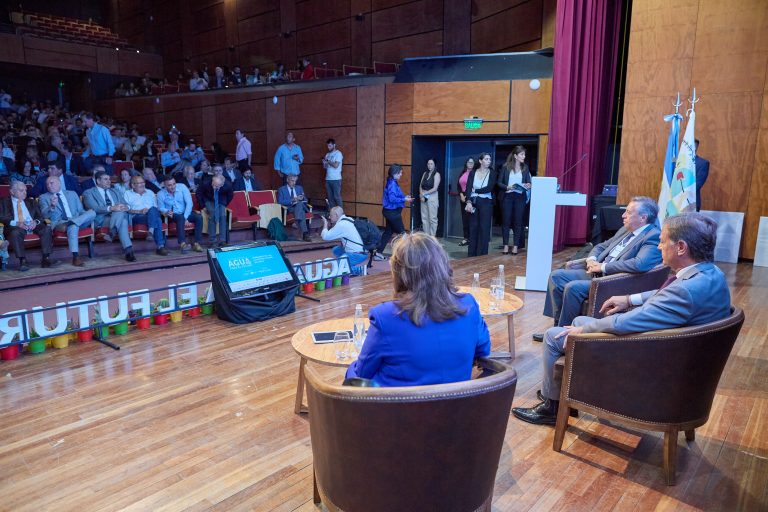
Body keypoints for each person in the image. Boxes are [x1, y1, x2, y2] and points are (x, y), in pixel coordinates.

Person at [512, 212, 732, 425]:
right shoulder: (710, 274)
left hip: (648, 357)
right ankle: (566, 394)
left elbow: (626, 322)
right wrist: (629, 299)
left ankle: (551, 407)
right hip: (673, 348)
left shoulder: (684, 291)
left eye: (663, 241)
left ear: (681, 247)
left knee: (554, 336)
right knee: (578, 321)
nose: (659, 246)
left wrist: (584, 331)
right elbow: (667, 294)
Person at [345, 232, 491, 386]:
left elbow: (361, 374)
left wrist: (350, 369)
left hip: (397, 401)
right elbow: (484, 351)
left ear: (399, 273)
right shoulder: (469, 305)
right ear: (443, 265)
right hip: (458, 401)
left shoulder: (385, 317)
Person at [537, 196, 662, 337]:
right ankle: (558, 326)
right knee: (556, 276)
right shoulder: (626, 229)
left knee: (573, 288)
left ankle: (564, 334)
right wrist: (592, 259)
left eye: (628, 212)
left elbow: (639, 264)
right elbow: (602, 246)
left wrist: (603, 267)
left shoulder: (653, 236)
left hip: (614, 280)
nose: (623, 215)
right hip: (597, 273)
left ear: (643, 217)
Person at [39, 175, 96, 267]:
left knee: (92, 212)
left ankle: (71, 222)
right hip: (60, 223)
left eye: (51, 183)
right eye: (47, 184)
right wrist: (52, 206)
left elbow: (81, 211)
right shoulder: (44, 197)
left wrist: (83, 216)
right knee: (73, 227)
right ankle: (75, 257)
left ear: (59, 183)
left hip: (76, 220)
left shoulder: (72, 194)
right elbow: (44, 215)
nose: (49, 185)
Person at [0, 180, 57, 271]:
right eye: (21, 190)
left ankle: (46, 259)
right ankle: (23, 260)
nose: (25, 193)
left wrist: (35, 222)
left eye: (25, 190)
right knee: (15, 233)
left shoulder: (31, 201)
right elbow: (2, 217)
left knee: (47, 228)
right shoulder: (4, 202)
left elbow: (40, 217)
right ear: (12, 192)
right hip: (16, 226)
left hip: (32, 224)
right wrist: (17, 223)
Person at [83, 170, 136, 262]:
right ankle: (128, 251)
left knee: (120, 215)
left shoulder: (115, 191)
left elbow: (127, 204)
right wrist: (111, 208)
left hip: (116, 217)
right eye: (105, 179)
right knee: (122, 219)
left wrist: (126, 207)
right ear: (98, 181)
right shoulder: (89, 192)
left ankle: (112, 233)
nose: (109, 181)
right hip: (101, 220)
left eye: (109, 179)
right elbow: (94, 208)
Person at [497, 146, 531, 255]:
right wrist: (507, 187)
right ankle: (506, 246)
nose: (524, 156)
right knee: (506, 222)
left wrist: (528, 185)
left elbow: (528, 182)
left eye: (524, 154)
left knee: (518, 222)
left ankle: (515, 246)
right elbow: (499, 182)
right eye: (522, 154)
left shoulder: (525, 168)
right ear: (516, 156)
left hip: (520, 197)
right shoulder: (506, 167)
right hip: (507, 196)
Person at [157, 175, 204, 253]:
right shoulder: (160, 194)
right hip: (172, 214)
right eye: (169, 185)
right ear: (164, 185)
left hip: (185, 213)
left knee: (198, 217)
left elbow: (189, 203)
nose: (172, 187)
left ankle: (197, 243)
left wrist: (185, 217)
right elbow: (160, 207)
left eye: (174, 184)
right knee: (180, 218)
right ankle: (182, 244)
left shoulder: (182, 187)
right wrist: (166, 211)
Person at [124, 175, 169, 256]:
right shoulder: (127, 194)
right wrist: (139, 211)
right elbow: (126, 209)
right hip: (137, 216)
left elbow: (156, 208)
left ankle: (151, 232)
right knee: (158, 220)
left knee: (153, 211)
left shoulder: (150, 192)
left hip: (151, 214)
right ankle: (160, 246)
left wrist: (149, 211)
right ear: (133, 185)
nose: (142, 184)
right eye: (139, 183)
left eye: (143, 182)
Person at [377, 164, 413, 257]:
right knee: (403, 234)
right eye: (400, 173)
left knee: (388, 232)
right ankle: (410, 255)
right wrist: (404, 199)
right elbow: (392, 199)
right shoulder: (392, 184)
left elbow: (394, 196)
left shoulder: (392, 182)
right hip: (392, 213)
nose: (401, 174)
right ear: (394, 173)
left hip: (389, 212)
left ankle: (378, 253)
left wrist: (404, 197)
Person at [466, 152, 497, 257]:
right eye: (486, 159)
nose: (489, 161)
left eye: (489, 159)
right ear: (480, 161)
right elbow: (468, 188)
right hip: (474, 202)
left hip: (486, 202)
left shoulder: (492, 173)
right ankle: (471, 255)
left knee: (484, 228)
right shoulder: (473, 172)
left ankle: (482, 255)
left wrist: (476, 190)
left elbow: (489, 188)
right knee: (473, 227)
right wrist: (468, 201)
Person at [197, 174, 233, 247]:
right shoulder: (205, 183)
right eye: (213, 184)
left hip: (221, 199)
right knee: (212, 214)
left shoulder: (228, 185)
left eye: (217, 186)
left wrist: (224, 204)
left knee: (223, 216)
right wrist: (202, 206)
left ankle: (222, 241)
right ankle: (212, 241)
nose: (214, 187)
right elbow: (198, 193)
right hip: (208, 199)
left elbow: (230, 195)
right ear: (212, 181)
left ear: (222, 184)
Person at [277, 174, 311, 242]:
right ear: (287, 180)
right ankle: (305, 234)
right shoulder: (282, 189)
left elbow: (306, 200)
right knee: (302, 212)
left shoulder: (299, 188)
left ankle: (296, 221)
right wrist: (293, 200)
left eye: (295, 181)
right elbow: (280, 202)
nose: (294, 183)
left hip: (299, 206)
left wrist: (302, 198)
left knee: (299, 204)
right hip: (289, 208)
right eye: (292, 181)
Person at [418, 158, 441, 237]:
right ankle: (426, 236)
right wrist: (421, 194)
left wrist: (424, 194)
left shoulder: (437, 174)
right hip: (423, 196)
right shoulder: (425, 173)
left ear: (434, 165)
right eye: (428, 164)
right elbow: (420, 185)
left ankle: (432, 237)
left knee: (432, 218)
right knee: (424, 218)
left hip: (432, 196)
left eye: (431, 164)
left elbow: (435, 188)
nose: (429, 165)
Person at [456, 157, 474, 247]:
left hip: (471, 197)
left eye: (472, 162)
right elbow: (458, 186)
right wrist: (461, 195)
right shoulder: (463, 172)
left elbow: (473, 186)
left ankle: (472, 239)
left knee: (471, 219)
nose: (470, 164)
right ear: (466, 163)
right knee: (465, 219)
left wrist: (467, 196)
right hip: (463, 197)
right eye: (469, 162)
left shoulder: (475, 173)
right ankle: (466, 238)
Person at [323, 138, 343, 208]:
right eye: (327, 146)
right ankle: (332, 213)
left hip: (336, 179)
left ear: (334, 145)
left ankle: (341, 212)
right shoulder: (327, 154)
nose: (328, 147)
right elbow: (325, 167)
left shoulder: (338, 153)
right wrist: (324, 163)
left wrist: (328, 161)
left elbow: (336, 165)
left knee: (336, 197)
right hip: (328, 179)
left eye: (330, 146)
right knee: (330, 198)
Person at [695, 139, 709, 212]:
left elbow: (698, 184)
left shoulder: (703, 163)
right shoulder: (677, 162)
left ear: (695, 147)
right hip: (675, 203)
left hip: (692, 203)